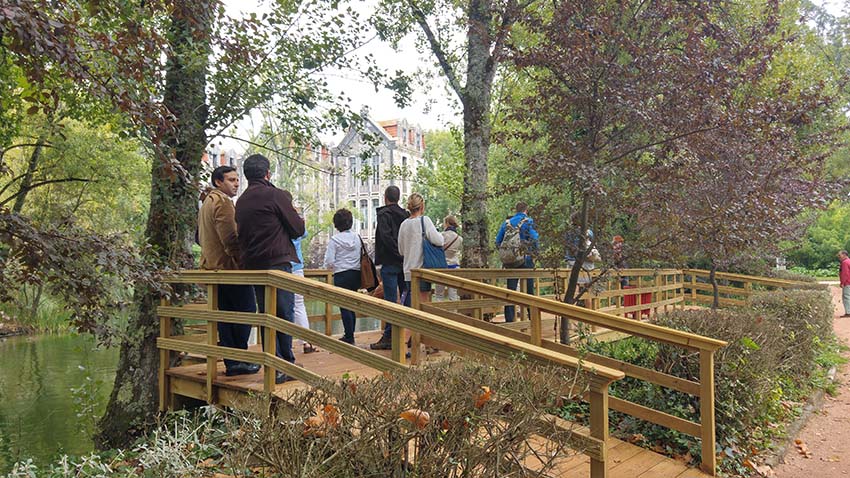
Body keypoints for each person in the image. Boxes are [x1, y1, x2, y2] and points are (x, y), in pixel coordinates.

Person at [235, 154, 305, 384]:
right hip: (277, 263)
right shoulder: (274, 195)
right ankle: (284, 364)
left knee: (267, 315)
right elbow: (297, 228)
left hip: (254, 266)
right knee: (283, 313)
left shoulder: (242, 201)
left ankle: (273, 365)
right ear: (267, 174)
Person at [197, 166, 259, 377]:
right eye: (231, 180)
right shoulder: (222, 203)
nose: (236, 183)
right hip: (228, 268)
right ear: (218, 182)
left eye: (236, 180)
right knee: (247, 310)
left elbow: (199, 237)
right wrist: (244, 264)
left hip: (212, 268)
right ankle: (238, 359)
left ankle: (233, 362)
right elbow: (230, 239)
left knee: (225, 316)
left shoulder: (207, 202)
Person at [370, 185, 410, 350]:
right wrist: (403, 254)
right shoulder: (405, 216)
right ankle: (405, 335)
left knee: (390, 300)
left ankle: (389, 336)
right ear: (398, 198)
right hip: (404, 263)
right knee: (405, 298)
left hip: (390, 262)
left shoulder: (384, 215)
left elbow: (385, 237)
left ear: (386, 198)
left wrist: (396, 253)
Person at [494, 202, 539, 322]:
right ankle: (532, 319)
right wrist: (535, 253)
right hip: (526, 259)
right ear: (526, 210)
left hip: (511, 261)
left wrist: (508, 253)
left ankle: (510, 320)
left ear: (515, 210)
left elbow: (498, 241)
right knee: (529, 291)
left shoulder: (507, 223)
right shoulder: (528, 221)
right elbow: (535, 238)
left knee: (511, 291)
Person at [323, 208, 362, 344]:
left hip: (341, 274)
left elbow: (329, 261)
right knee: (352, 304)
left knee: (344, 305)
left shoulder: (334, 240)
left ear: (336, 224)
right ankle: (351, 334)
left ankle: (349, 335)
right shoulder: (357, 238)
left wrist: (333, 267)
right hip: (356, 274)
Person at [398, 192, 444, 305]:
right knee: (423, 304)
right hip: (422, 270)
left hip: (408, 271)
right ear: (422, 206)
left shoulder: (403, 224)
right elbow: (439, 241)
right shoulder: (425, 221)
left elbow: (401, 250)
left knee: (412, 302)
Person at [291, 221, 318, 354]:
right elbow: (304, 232)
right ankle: (306, 342)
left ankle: (285, 345)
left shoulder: (276, 224)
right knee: (299, 305)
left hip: (280, 267)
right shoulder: (294, 223)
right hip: (296, 268)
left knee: (280, 307)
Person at [436, 215, 463, 301]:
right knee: (453, 294)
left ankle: (438, 313)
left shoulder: (441, 235)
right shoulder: (459, 239)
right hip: (454, 267)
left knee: (439, 294)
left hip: (442, 266)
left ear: (447, 223)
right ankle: (453, 313)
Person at [839, 250, 850, 318]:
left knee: (846, 297)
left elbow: (845, 274)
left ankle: (848, 312)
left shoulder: (845, 262)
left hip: (847, 282)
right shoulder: (849, 261)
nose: (839, 257)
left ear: (844, 255)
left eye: (840, 255)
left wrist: (842, 282)